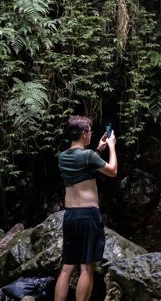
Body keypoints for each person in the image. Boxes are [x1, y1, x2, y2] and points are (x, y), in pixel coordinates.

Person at [54, 115, 117, 301]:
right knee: (86, 267)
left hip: (70, 216)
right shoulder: (87, 156)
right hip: (88, 215)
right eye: (89, 131)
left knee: (67, 268)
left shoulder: (63, 157)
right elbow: (112, 171)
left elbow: (85, 167)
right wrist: (111, 146)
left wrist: (99, 148)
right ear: (83, 133)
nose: (91, 134)